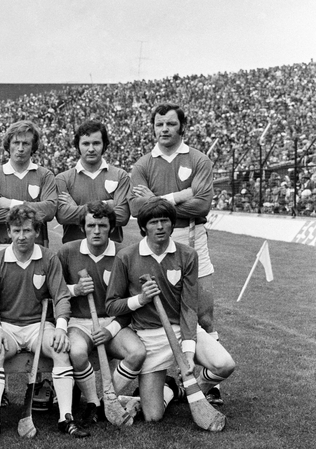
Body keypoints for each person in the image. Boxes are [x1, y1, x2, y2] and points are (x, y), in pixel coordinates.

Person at [105, 197, 235, 422]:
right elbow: (111, 305)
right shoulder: (126, 256)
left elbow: (188, 307)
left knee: (224, 365)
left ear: (172, 224)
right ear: (144, 226)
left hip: (181, 329)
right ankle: (169, 390)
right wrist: (141, 299)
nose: (160, 227)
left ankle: (189, 389)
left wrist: (188, 351)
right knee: (153, 416)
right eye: (153, 222)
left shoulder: (187, 255)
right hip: (148, 335)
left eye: (165, 221)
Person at [129, 104, 222, 404]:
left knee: (203, 313)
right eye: (159, 124)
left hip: (192, 236)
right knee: (155, 309)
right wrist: (182, 195)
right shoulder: (143, 164)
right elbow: (135, 209)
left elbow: (202, 205)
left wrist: (157, 202)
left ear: (183, 126)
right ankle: (161, 375)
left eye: (171, 124)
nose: (164, 129)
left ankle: (209, 382)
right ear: (153, 127)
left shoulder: (198, 159)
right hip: (154, 242)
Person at [0, 204, 89, 440]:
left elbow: (60, 296)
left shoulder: (49, 258)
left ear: (37, 232)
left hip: (38, 326)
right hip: (7, 326)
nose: (22, 236)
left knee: (61, 349)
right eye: (17, 230)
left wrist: (61, 328)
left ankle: (66, 418)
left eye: (27, 230)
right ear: (8, 232)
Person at [56, 202, 146, 425]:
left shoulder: (124, 254)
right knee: (76, 352)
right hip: (79, 321)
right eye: (91, 225)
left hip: (114, 322)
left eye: (102, 226)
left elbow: (129, 303)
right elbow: (51, 290)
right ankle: (93, 403)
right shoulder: (67, 251)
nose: (96, 231)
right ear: (83, 227)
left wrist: (110, 329)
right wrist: (75, 290)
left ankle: (108, 398)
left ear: (112, 228)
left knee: (137, 352)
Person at [0, 120, 57, 250]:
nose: (20, 148)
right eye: (16, 143)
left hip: (36, 247)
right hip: (3, 247)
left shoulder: (45, 175)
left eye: (26, 143)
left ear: (33, 147)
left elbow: (49, 210)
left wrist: (11, 204)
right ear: (8, 145)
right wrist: (35, 209)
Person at [55, 121, 130, 243]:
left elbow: (122, 217)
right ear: (78, 146)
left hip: (112, 252)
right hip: (75, 252)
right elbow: (63, 216)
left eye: (96, 143)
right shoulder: (63, 179)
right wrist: (107, 205)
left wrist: (77, 209)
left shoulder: (120, 176)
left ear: (104, 145)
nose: (91, 149)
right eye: (85, 143)